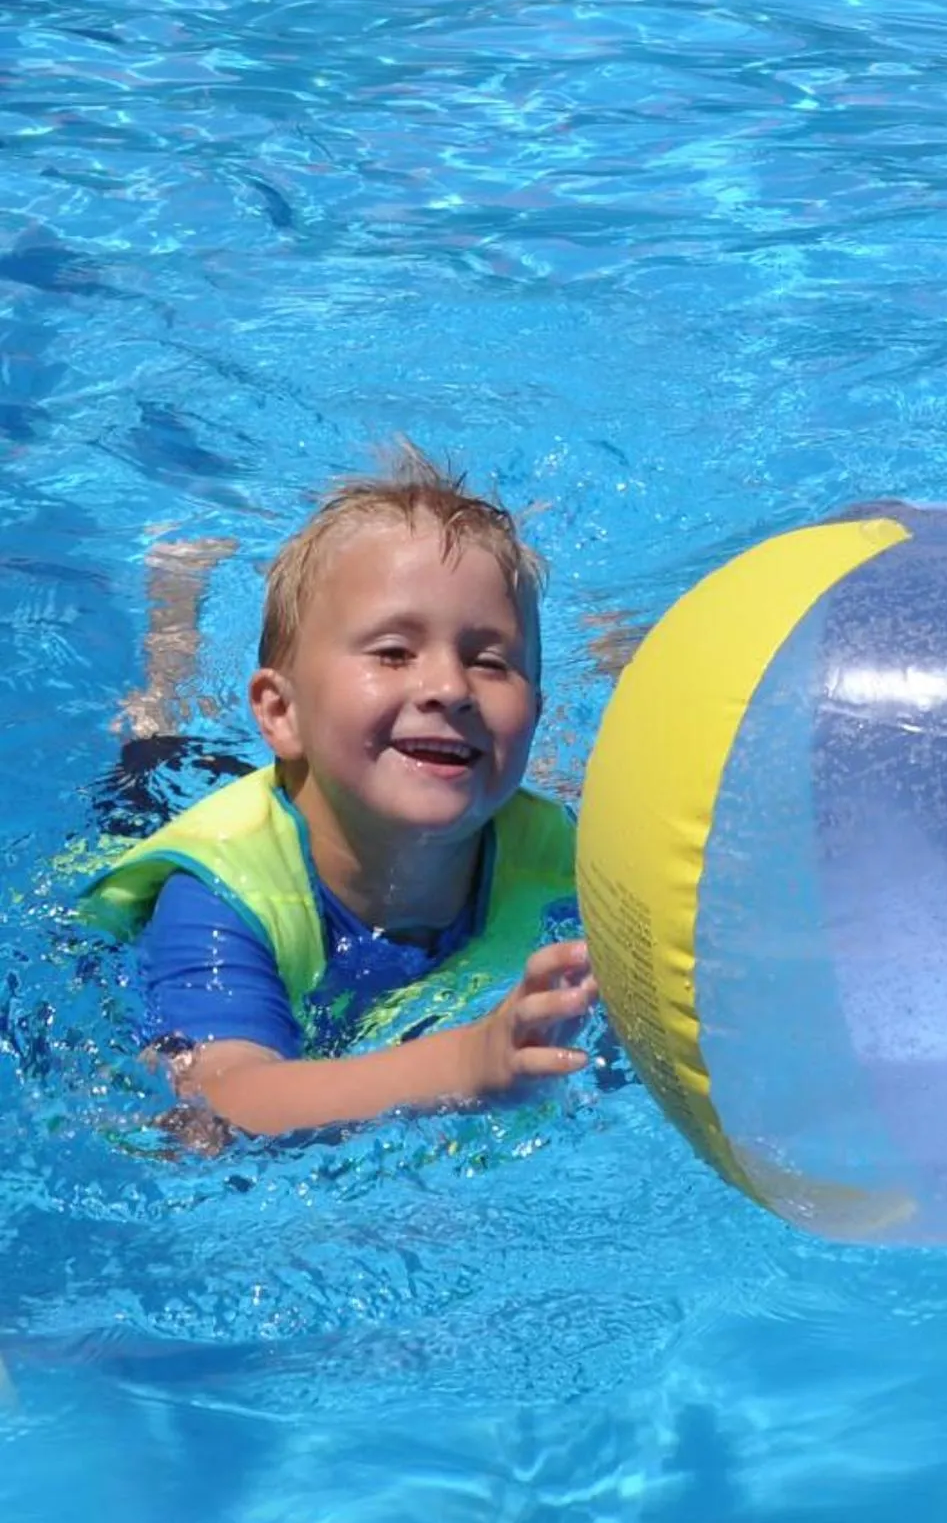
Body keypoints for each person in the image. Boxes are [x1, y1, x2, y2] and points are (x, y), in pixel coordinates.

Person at [82, 447, 600, 1139]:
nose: (449, 686)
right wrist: (467, 1061)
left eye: (489, 661)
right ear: (280, 710)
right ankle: (170, 627)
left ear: (534, 713)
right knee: (156, 747)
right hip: (176, 800)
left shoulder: (566, 854)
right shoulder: (216, 895)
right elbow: (223, 1101)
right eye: (393, 652)